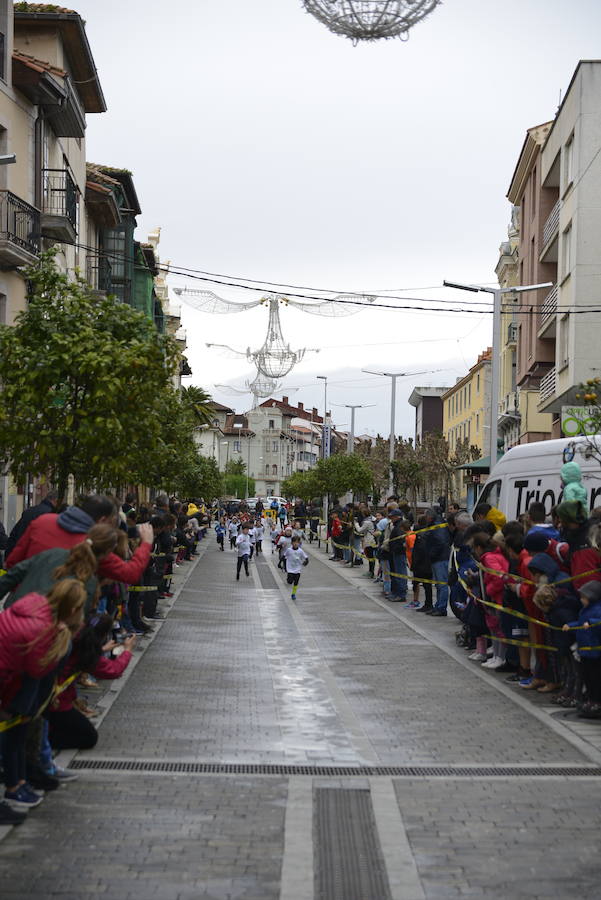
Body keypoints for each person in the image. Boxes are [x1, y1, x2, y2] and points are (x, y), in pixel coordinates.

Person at [0, 579, 86, 811]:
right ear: (73, 609)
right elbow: (37, 668)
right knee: (14, 734)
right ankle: (14, 788)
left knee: (16, 732)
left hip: (10, 673)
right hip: (10, 676)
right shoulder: (42, 630)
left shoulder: (38, 605)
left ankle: (18, 782)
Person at [6, 494, 154, 586]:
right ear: (103, 520)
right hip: (60, 619)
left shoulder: (42, 521)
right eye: (112, 523)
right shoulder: (92, 545)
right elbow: (130, 574)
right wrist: (146, 543)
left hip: (20, 606)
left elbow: (12, 563)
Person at [46, 615, 135, 750]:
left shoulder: (74, 638)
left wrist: (101, 650)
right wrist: (127, 650)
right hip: (55, 702)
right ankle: (42, 745)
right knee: (88, 737)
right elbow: (113, 671)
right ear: (104, 635)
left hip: (51, 696)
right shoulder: (86, 652)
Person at [0, 523, 119, 614]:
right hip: (43, 637)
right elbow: (76, 626)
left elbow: (12, 575)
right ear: (107, 553)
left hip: (12, 616)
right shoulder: (89, 583)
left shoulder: (52, 553)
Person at [563, 581, 601, 717]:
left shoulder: (597, 610)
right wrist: (571, 626)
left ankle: (596, 701)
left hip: (594, 653)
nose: (581, 600)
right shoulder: (585, 610)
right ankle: (591, 700)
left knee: (595, 678)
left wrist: (592, 623)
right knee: (587, 677)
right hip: (585, 651)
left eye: (583, 597)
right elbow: (580, 624)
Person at [4, 491, 58, 558]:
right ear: (55, 501)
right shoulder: (51, 515)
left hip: (20, 553)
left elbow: (14, 534)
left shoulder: (29, 511)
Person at [423, 507, 451, 617]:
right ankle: (438, 605)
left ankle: (441, 607)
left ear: (430, 516)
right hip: (438, 557)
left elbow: (440, 542)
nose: (425, 519)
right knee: (439, 584)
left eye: (426, 516)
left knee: (441, 584)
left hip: (440, 558)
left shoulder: (437, 526)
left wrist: (431, 554)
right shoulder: (436, 524)